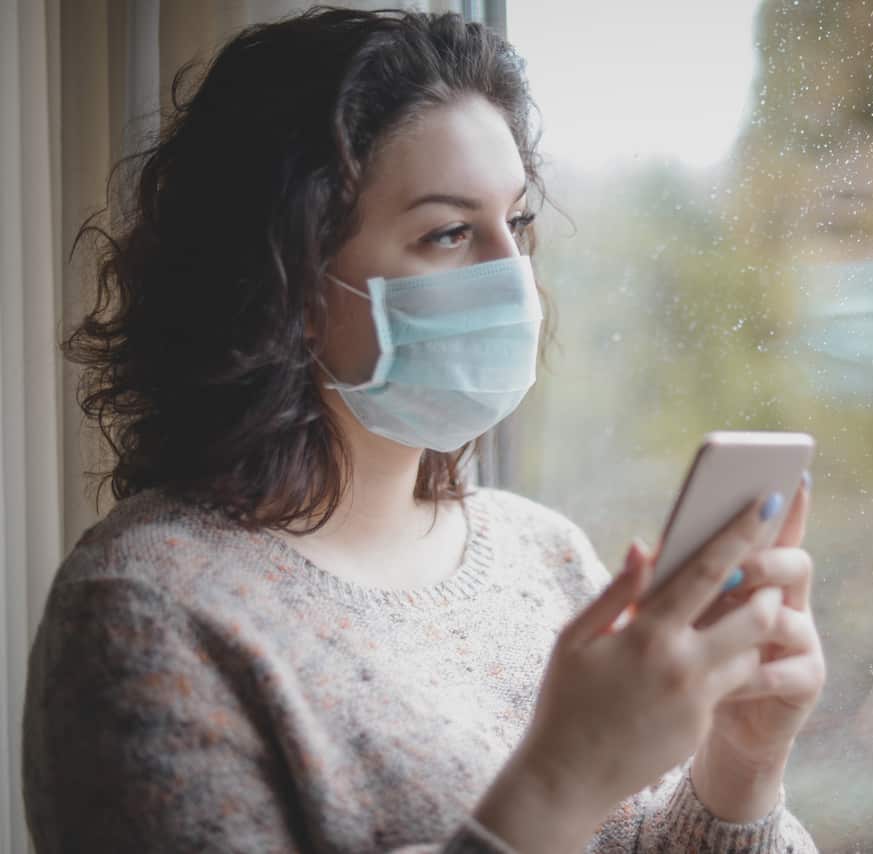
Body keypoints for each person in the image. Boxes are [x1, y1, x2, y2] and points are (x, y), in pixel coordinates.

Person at [21, 9, 824, 854]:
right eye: (447, 232)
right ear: (286, 281)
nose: (514, 282)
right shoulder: (150, 617)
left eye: (514, 224)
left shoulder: (541, 555)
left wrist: (740, 763)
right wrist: (561, 780)